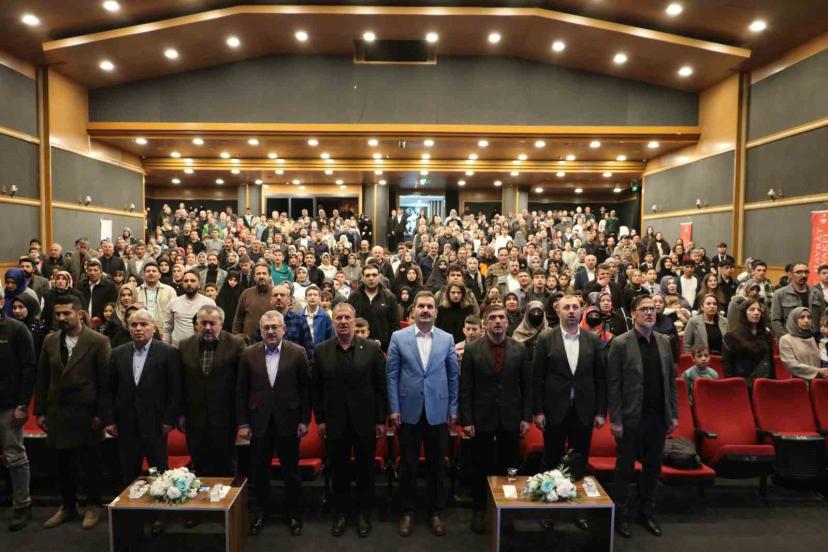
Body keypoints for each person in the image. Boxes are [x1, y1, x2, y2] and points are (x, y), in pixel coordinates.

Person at [35, 294, 112, 530]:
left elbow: (106, 381)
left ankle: (94, 506)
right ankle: (68, 506)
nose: (61, 318)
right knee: (63, 464)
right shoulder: (50, 340)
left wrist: (102, 414)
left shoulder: (98, 341)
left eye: (66, 313)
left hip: (87, 412)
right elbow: (42, 377)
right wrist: (40, 411)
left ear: (79, 314)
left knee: (91, 464)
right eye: (58, 314)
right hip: (58, 411)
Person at [387, 291, 459, 537]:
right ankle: (407, 512)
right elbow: (391, 376)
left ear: (436, 311)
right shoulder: (398, 337)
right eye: (421, 306)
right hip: (408, 412)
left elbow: (453, 376)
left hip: (438, 411)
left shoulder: (447, 339)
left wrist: (453, 408)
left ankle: (435, 512)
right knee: (408, 466)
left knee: (437, 467)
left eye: (430, 306)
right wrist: (394, 408)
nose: (426, 310)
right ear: (413, 311)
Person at [312, 303, 387, 537]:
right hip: (334, 423)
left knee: (365, 471)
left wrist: (380, 420)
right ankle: (341, 514)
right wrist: (320, 420)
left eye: (347, 318)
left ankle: (364, 514)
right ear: (333, 321)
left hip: (365, 421)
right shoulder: (321, 350)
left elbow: (380, 388)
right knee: (339, 471)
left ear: (354, 321)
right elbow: (316, 389)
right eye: (339, 318)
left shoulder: (372, 348)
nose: (343, 322)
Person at [607, 295, 678, 539]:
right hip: (630, 418)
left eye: (652, 309)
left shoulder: (665, 341)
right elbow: (613, 385)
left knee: (652, 469)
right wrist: (615, 419)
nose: (649, 312)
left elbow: (671, 382)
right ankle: (621, 515)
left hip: (657, 418)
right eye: (644, 309)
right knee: (624, 469)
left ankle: (646, 513)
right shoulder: (620, 343)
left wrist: (673, 414)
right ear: (633, 314)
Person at [533, 294, 606, 528]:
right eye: (567, 307)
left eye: (576, 307)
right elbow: (537, 378)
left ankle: (577, 509)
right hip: (554, 409)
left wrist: (600, 411)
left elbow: (600, 378)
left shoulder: (592, 339)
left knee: (579, 460)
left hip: (584, 410)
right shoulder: (546, 338)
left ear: (581, 311)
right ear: (558, 311)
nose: (572, 311)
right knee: (551, 458)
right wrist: (538, 411)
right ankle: (547, 508)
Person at [237, 311, 310, 537]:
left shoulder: (298, 352)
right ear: (260, 331)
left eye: (274, 327)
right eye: (266, 327)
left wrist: (304, 420)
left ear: (283, 329)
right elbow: (241, 392)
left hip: (289, 421)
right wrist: (243, 423)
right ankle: (261, 513)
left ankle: (294, 514)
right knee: (259, 471)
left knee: (291, 472)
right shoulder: (248, 354)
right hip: (258, 422)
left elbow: (306, 390)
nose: (270, 331)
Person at [460, 304, 532, 534]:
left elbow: (527, 387)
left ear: (507, 322)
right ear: (485, 323)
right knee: (480, 466)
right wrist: (467, 419)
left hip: (511, 417)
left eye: (501, 317)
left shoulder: (519, 348)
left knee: (509, 466)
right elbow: (466, 387)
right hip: (482, 417)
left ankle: (506, 509)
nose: (498, 321)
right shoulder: (473, 349)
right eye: (493, 318)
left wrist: (526, 417)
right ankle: (479, 510)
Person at [106, 309, 181, 491]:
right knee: (129, 472)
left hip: (156, 424)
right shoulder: (117, 354)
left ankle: (159, 507)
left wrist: (169, 420)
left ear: (154, 328)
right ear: (128, 328)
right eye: (134, 325)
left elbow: (175, 390)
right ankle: (130, 507)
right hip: (126, 424)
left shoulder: (168, 353)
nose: (138, 328)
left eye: (143, 324)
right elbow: (109, 390)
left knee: (159, 474)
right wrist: (110, 420)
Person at [178, 305, 245, 477]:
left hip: (225, 418)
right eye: (203, 323)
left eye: (212, 323)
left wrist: (242, 420)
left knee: (226, 467)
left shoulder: (236, 344)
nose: (207, 327)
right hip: (195, 419)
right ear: (197, 324)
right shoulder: (184, 345)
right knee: (200, 467)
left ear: (221, 323)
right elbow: (181, 383)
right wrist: (181, 414)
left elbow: (242, 384)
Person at [0, 288, 37, 531]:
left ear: (1, 302)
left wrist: (22, 404)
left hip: (8, 406)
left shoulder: (16, 329)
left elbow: (29, 367)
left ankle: (22, 504)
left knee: (15, 456)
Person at [722, 298, 774, 387]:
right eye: (752, 309)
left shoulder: (766, 335)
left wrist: (773, 383)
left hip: (764, 383)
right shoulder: (731, 336)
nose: (756, 313)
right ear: (744, 313)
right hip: (741, 384)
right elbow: (727, 365)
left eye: (758, 310)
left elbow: (770, 363)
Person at [348, 264, 400, 351]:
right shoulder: (354, 297)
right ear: (363, 278)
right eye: (367, 275)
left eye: (374, 275)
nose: (371, 278)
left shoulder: (389, 297)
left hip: (382, 348)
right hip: (357, 347)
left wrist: (388, 344)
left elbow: (395, 326)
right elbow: (349, 322)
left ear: (379, 277)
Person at [771, 263, 825, 339]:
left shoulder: (817, 293)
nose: (804, 275)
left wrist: (820, 337)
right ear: (790, 275)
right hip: (790, 339)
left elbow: (823, 317)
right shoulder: (780, 294)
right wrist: (786, 338)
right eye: (799, 272)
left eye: (806, 272)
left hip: (814, 338)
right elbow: (775, 320)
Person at [165, 270, 215, 347]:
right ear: (182, 284)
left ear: (199, 284)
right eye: (186, 281)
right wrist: (166, 344)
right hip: (177, 348)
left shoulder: (209, 303)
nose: (189, 283)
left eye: (192, 281)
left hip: (200, 348)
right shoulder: (173, 302)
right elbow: (168, 327)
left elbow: (214, 327)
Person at [778, 308, 828, 381]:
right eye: (802, 317)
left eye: (809, 317)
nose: (806, 320)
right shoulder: (786, 339)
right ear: (794, 319)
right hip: (799, 382)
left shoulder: (813, 337)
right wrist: (817, 371)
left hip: (819, 380)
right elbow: (790, 364)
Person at [135, 262, 177, 335]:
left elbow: (175, 313)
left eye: (154, 271)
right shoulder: (136, 292)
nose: (151, 273)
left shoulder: (170, 291)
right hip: (141, 332)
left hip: (164, 332)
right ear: (143, 275)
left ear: (159, 275)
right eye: (148, 271)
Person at [232, 263, 274, 337]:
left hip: (272, 338)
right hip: (249, 341)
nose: (261, 276)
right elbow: (238, 320)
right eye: (258, 274)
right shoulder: (246, 294)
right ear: (254, 277)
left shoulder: (276, 294)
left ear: (269, 276)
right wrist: (237, 339)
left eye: (264, 273)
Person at [11, 293, 48, 357]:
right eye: (14, 307)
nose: (17, 311)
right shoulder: (12, 326)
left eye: (21, 307)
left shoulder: (39, 328)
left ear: (29, 307)